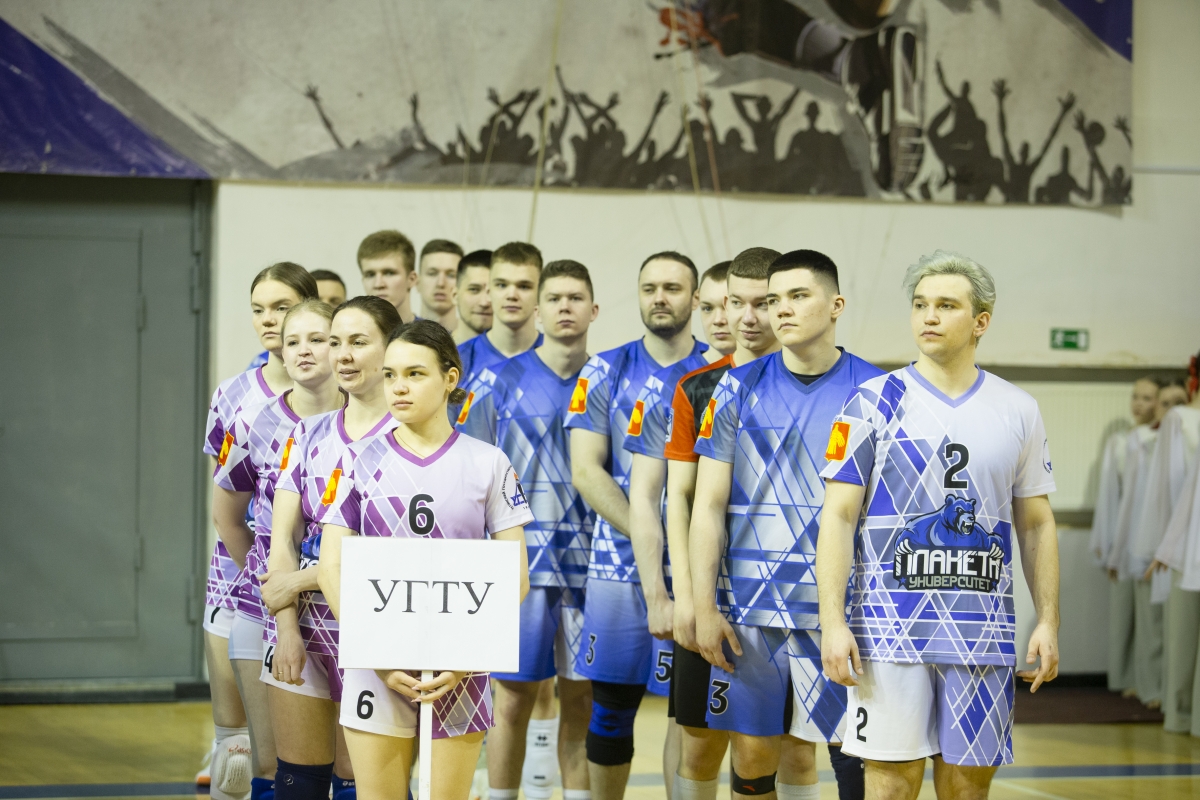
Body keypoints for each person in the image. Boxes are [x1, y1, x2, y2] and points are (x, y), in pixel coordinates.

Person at [817, 251, 1060, 800]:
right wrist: (832, 622)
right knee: (888, 787)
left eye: (947, 305)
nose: (929, 316)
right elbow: (837, 515)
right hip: (887, 635)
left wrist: (1049, 619)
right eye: (920, 304)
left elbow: (1037, 524)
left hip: (982, 636)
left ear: (981, 321)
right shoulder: (870, 401)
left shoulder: (1018, 408)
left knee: (967, 791)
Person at [316, 320, 534, 800]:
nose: (399, 387)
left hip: (460, 668)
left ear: (450, 378)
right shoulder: (355, 461)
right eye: (391, 374)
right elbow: (331, 568)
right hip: (375, 666)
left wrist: (464, 660)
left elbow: (515, 577)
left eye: (415, 374)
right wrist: (376, 654)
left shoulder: (488, 463)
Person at [688, 251, 878, 800]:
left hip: (843, 612)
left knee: (853, 758)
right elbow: (707, 505)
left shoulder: (877, 390)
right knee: (752, 763)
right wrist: (704, 605)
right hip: (750, 609)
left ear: (836, 305)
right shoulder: (734, 387)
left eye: (798, 296)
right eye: (775, 299)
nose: (781, 310)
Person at [566, 252, 708, 800]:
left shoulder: (717, 371)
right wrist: (648, 533)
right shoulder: (603, 369)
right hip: (616, 566)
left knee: (685, 715)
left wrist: (680, 545)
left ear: (696, 298)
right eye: (649, 288)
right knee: (610, 710)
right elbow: (586, 470)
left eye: (673, 287)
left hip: (697, 571)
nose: (660, 298)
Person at [458, 260, 600, 800]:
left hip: (592, 569)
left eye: (575, 298)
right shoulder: (496, 382)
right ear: (540, 311)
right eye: (555, 298)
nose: (565, 307)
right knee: (512, 699)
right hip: (520, 567)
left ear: (593, 309)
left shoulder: (605, 378)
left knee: (582, 700)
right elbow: (468, 476)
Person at [258, 297, 403, 800]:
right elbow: (281, 539)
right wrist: (286, 628)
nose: (343, 354)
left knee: (359, 784)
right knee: (296, 784)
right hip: (302, 626)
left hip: (372, 632)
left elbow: (387, 555)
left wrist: (298, 580)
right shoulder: (308, 434)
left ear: (390, 348)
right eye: (336, 342)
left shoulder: (409, 439)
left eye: (358, 342)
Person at [662, 249, 781, 800]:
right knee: (700, 741)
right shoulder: (697, 387)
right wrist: (688, 599)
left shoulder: (828, 383)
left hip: (788, 598)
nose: (746, 317)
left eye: (762, 303)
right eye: (735, 302)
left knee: (787, 749)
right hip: (714, 593)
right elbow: (680, 501)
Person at [214, 296, 344, 800]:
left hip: (344, 609)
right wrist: (270, 586)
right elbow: (229, 518)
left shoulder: (367, 421)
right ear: (281, 353)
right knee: (272, 767)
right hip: (268, 610)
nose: (304, 350)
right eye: (293, 342)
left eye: (318, 339)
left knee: (353, 768)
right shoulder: (251, 422)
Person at [202, 262, 318, 800]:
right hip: (241, 580)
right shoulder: (235, 397)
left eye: (282, 307)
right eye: (259, 309)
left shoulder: (343, 396)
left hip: (318, 586)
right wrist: (266, 579)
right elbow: (227, 505)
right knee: (238, 756)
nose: (269, 319)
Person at [622, 260, 733, 789]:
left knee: (779, 748)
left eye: (733, 304)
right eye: (710, 307)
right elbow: (650, 498)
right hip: (694, 585)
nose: (723, 317)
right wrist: (664, 595)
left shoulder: (785, 377)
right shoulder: (676, 388)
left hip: (769, 588)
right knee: (691, 731)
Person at [1108, 378, 1189, 708]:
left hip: (1184, 540)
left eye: (1178, 403)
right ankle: (1151, 687)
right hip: (1151, 539)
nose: (1171, 410)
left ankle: (1172, 691)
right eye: (1165, 403)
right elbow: (1133, 501)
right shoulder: (1141, 441)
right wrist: (1121, 550)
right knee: (1151, 624)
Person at [1089, 378, 1160, 696]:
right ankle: (1122, 678)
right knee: (1122, 613)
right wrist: (1106, 545)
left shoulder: (1159, 441)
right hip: (1123, 534)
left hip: (1150, 534)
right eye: (1136, 396)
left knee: (1150, 619)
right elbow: (1109, 496)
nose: (1139, 403)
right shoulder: (1118, 442)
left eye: (1147, 397)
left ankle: (1148, 683)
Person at [1143, 370, 1200, 733]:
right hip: (1187, 539)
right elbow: (1174, 491)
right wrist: (1163, 546)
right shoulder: (1180, 419)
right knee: (1181, 638)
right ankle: (1181, 714)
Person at [457, 243, 545, 392]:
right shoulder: (456, 361)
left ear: (541, 292)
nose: (511, 295)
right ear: (489, 291)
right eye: (502, 285)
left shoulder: (560, 360)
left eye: (524, 286)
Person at [358, 230, 420, 323]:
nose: (378, 284)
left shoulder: (434, 333)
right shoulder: (349, 331)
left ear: (411, 279)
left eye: (389, 273)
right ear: (363, 280)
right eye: (370, 275)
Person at [418, 239, 465, 330]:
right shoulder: (398, 336)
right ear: (417, 282)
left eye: (451, 275)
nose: (441, 283)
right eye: (432, 273)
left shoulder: (476, 337)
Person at [452, 249, 495, 344]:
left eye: (491, 291)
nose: (484, 303)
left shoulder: (523, 352)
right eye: (474, 289)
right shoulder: (434, 350)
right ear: (455, 295)